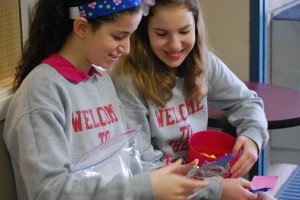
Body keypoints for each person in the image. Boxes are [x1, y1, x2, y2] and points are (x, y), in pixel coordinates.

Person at [3, 0, 208, 199]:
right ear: (82, 27)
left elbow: (128, 162)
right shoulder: (42, 91)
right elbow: (49, 191)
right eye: (119, 36)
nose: (127, 49)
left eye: (130, 36)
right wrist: (146, 187)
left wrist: (167, 179)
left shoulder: (102, 81)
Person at [111, 0, 276, 199]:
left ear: (196, 27)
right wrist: (215, 189)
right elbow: (141, 165)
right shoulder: (129, 81)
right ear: (144, 32)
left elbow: (247, 101)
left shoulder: (205, 64)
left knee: (265, 197)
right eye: (162, 34)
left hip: (205, 178)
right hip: (164, 188)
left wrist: (252, 137)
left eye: (184, 31)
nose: (175, 44)